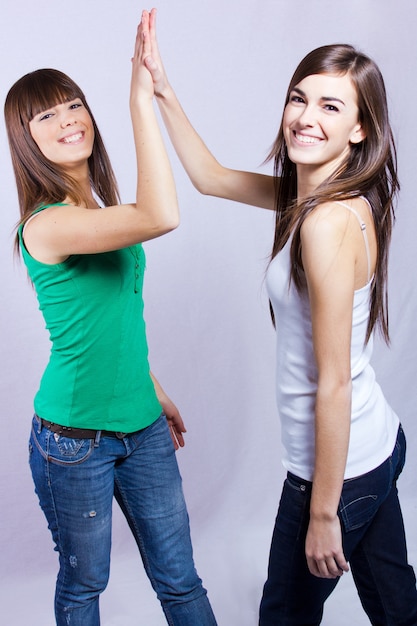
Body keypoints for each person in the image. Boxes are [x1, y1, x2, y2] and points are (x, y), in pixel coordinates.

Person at [141, 9, 417, 625]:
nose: (306, 118)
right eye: (300, 98)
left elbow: (335, 381)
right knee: (396, 605)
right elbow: (210, 178)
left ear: (358, 131)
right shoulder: (320, 197)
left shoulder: (325, 223)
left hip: (337, 471)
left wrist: (322, 514)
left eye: (331, 107)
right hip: (376, 446)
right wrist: (162, 88)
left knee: (284, 615)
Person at [4, 11, 217, 626]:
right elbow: (161, 213)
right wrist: (140, 98)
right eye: (46, 115)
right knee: (83, 586)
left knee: (181, 581)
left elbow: (112, 319)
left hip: (144, 428)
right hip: (74, 441)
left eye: (73, 105)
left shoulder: (95, 210)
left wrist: (152, 388)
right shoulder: (46, 226)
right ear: (27, 141)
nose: (68, 120)